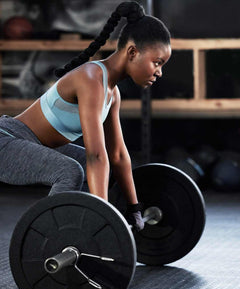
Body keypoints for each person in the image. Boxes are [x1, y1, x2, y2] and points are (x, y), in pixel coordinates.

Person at [0, 1, 171, 231]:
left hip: (33, 143)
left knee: (91, 167)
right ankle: (52, 239)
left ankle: (80, 231)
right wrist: (105, 219)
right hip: (6, 141)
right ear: (132, 52)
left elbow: (117, 154)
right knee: (70, 170)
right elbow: (96, 155)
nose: (159, 72)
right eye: (157, 62)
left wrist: (134, 208)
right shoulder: (91, 79)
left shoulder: (112, 92)